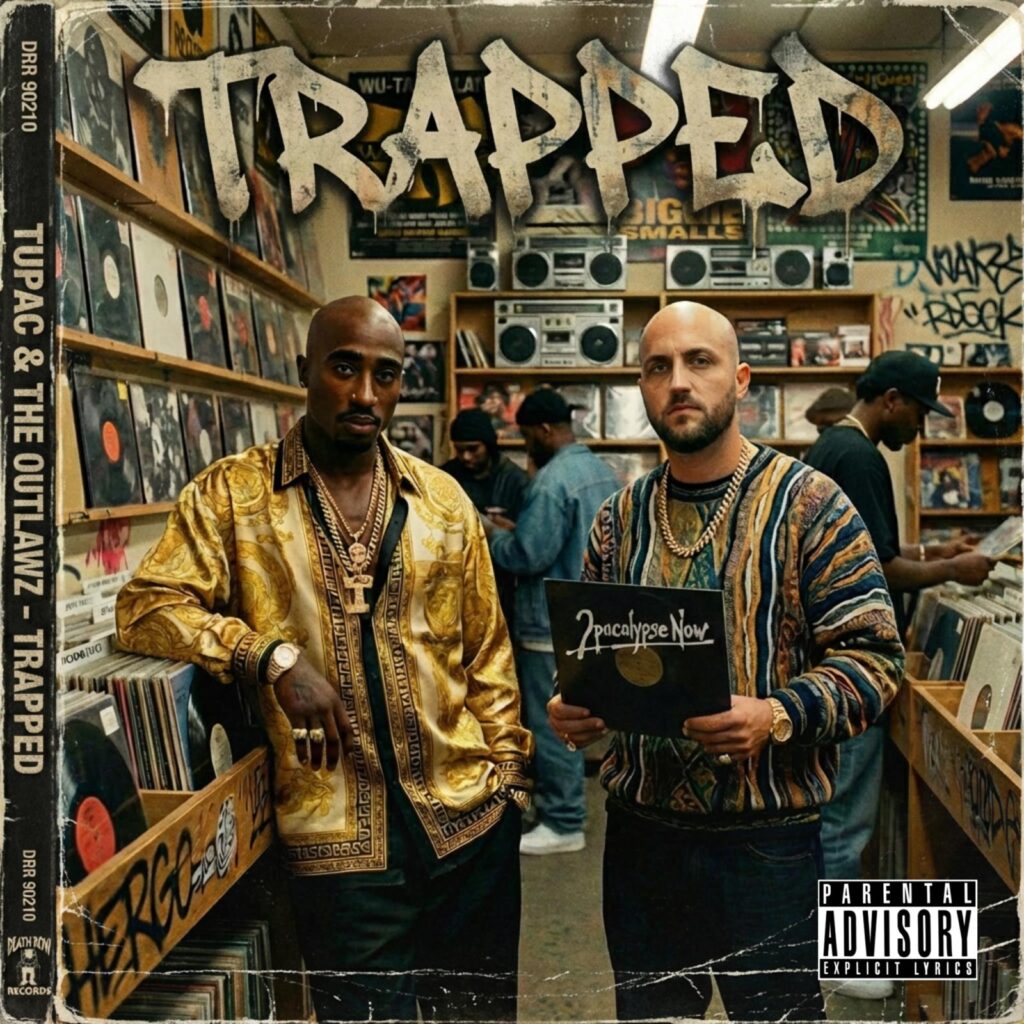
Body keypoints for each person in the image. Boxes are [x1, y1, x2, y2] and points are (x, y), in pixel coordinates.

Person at [116, 296, 533, 1023]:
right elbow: (146, 608)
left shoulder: (443, 500)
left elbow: (488, 652)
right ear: (304, 369)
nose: (366, 393)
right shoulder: (233, 495)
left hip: (470, 831)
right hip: (337, 851)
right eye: (344, 368)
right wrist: (269, 657)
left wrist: (510, 785)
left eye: (386, 375)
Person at [549, 301, 904, 1022]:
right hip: (641, 839)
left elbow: (874, 659)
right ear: (642, 387)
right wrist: (574, 703)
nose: (678, 382)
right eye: (658, 367)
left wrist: (776, 714)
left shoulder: (811, 504)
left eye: (699, 361)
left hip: (768, 844)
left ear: (740, 380)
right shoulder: (619, 518)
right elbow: (592, 655)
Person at [802, 349, 994, 999]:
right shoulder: (858, 456)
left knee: (839, 815)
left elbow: (872, 547)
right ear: (891, 400)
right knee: (844, 821)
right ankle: (844, 963)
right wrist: (951, 570)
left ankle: (839, 949)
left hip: (832, 665)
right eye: (919, 411)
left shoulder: (836, 447)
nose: (921, 426)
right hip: (851, 668)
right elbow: (877, 571)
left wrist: (932, 550)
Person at [486, 389, 619, 855]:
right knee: (578, 719)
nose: (526, 447)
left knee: (553, 724)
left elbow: (528, 554)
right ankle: (567, 812)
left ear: (543, 430)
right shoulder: (602, 472)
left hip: (548, 624)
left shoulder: (551, 481)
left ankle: (563, 821)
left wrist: (491, 535)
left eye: (526, 437)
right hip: (592, 619)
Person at [442, 409, 529, 631]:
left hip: (502, 585)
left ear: (489, 445)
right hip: (455, 583)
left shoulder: (515, 480)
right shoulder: (443, 478)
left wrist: (509, 531)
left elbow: (529, 542)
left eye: (473, 449)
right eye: (460, 450)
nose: (466, 457)